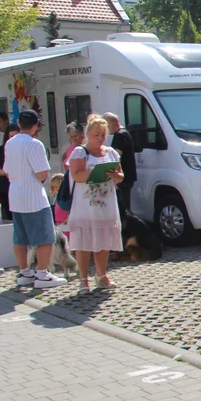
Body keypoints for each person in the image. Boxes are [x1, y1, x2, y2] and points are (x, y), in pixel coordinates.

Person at [5, 110, 67, 289]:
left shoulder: (10, 143)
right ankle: (42, 274)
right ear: (35, 125)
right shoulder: (35, 144)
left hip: (15, 195)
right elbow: (41, 174)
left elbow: (8, 170)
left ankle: (24, 272)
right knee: (45, 237)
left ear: (19, 123)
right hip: (33, 196)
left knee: (20, 237)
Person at [67, 114, 124, 294]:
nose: (99, 138)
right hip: (86, 204)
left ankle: (101, 274)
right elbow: (76, 175)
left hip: (105, 202)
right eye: (96, 134)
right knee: (84, 242)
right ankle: (83, 280)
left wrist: (114, 175)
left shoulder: (111, 152)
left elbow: (121, 176)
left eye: (103, 135)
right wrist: (94, 173)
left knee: (104, 239)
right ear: (88, 133)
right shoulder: (79, 152)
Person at [103, 113, 136, 216]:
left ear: (112, 124)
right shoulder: (125, 132)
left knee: (122, 209)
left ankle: (125, 229)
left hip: (122, 176)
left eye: (106, 126)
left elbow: (116, 156)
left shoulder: (119, 135)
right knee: (125, 206)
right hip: (129, 175)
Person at [54, 122, 84, 230]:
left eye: (75, 136)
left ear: (82, 133)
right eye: (71, 138)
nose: (73, 139)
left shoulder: (85, 148)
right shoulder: (72, 148)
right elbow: (65, 161)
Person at [0, 124, 20, 221]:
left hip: (21, 187)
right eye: (11, 136)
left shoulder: (24, 149)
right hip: (6, 187)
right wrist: (7, 173)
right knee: (8, 216)